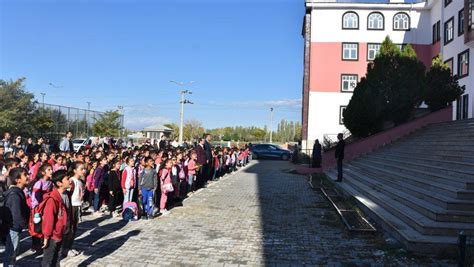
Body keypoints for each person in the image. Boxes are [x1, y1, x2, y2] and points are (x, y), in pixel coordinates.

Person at [41, 170, 72, 267]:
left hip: (61, 233)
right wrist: (46, 236)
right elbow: (48, 219)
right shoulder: (52, 199)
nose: (70, 180)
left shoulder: (66, 195)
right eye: (67, 179)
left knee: (57, 259)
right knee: (48, 261)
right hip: (53, 235)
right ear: (59, 183)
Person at [3, 167, 30, 266]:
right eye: (25, 175)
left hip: (15, 228)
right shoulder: (14, 195)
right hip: (13, 229)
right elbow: (16, 215)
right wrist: (25, 225)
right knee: (11, 254)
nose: (28, 177)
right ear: (18, 180)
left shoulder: (18, 192)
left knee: (12, 253)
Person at [63, 161, 85, 257]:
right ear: (75, 170)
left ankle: (69, 246)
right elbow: (68, 194)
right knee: (70, 228)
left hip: (78, 205)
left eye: (84, 169)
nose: (83, 171)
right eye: (81, 169)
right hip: (72, 206)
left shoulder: (80, 181)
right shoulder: (71, 181)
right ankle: (65, 248)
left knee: (74, 228)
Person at [29, 163, 53, 252]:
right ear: (43, 172)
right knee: (36, 226)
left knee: (44, 225)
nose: (51, 171)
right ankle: (35, 245)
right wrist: (36, 208)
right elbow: (34, 197)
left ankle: (42, 243)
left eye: (51, 169)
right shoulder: (39, 183)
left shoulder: (50, 182)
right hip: (37, 208)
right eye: (49, 170)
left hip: (45, 207)